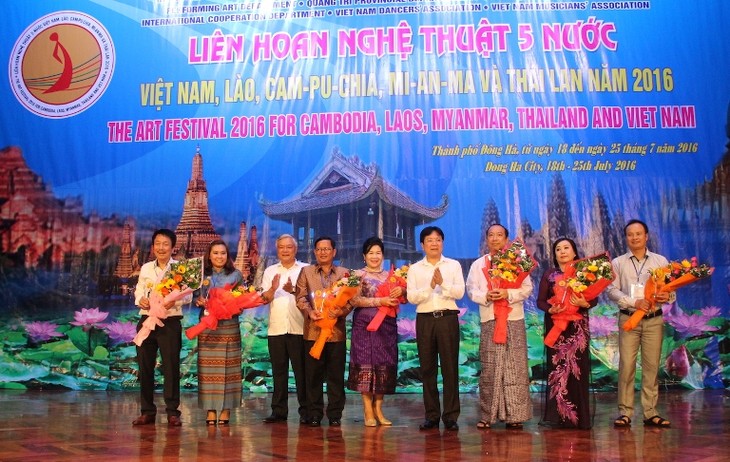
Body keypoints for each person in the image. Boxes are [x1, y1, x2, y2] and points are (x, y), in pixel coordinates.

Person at [193, 239, 278, 426]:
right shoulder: (200, 275)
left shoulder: (236, 275)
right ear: (209, 255)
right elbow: (193, 297)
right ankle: (210, 410)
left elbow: (242, 301)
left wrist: (232, 307)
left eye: (223, 253)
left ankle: (225, 410)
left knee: (229, 370)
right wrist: (198, 301)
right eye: (215, 253)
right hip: (207, 327)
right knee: (208, 370)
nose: (219, 256)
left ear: (227, 255)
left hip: (229, 327)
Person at [606, 219, 674, 428]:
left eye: (638, 233)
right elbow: (611, 290)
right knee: (626, 366)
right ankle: (625, 412)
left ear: (646, 236)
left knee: (651, 366)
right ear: (626, 238)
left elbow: (671, 290)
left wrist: (666, 296)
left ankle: (650, 412)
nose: (634, 237)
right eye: (630, 234)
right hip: (629, 318)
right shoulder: (618, 262)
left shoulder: (660, 260)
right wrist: (633, 301)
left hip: (653, 319)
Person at [465, 224, 533, 430]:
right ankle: (488, 415)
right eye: (491, 235)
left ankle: (515, 416)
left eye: (499, 235)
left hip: (513, 318)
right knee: (490, 366)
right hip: (489, 318)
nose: (495, 239)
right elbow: (471, 290)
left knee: (515, 367)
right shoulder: (478, 264)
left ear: (506, 239)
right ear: (486, 239)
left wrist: (507, 294)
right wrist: (486, 296)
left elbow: (527, 288)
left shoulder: (518, 263)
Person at [407, 226, 465, 431]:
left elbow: (459, 292)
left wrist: (443, 285)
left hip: (447, 318)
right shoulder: (415, 268)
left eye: (438, 239)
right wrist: (431, 286)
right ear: (422, 245)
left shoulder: (453, 265)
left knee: (450, 368)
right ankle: (431, 415)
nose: (434, 243)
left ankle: (450, 416)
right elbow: (411, 297)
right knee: (427, 369)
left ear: (442, 243)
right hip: (425, 320)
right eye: (429, 240)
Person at [132, 229, 192, 427]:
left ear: (173, 247)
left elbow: (189, 295)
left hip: (169, 322)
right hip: (147, 321)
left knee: (171, 367)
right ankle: (147, 411)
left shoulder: (180, 269)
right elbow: (140, 290)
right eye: (157, 243)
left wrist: (172, 302)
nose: (161, 247)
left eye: (165, 244)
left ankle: (173, 412)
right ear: (152, 247)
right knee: (145, 367)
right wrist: (140, 299)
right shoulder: (146, 268)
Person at [536, 237, 595, 429]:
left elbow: (594, 299)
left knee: (578, 370)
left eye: (566, 248)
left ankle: (579, 416)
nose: (562, 252)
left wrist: (584, 304)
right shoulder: (549, 275)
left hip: (577, 327)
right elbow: (540, 301)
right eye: (558, 249)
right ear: (554, 255)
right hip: (556, 327)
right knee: (558, 370)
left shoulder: (584, 273)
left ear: (574, 252)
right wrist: (550, 309)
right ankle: (560, 416)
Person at [295, 236, 354, 427]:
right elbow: (300, 297)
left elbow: (352, 300)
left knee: (336, 376)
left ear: (334, 252)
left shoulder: (345, 274)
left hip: (336, 333)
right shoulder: (306, 272)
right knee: (313, 376)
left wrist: (342, 311)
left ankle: (335, 414)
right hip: (313, 332)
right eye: (319, 249)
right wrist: (309, 311)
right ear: (314, 252)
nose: (323, 252)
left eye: (327, 249)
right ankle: (314, 414)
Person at [348, 237, 402, 427]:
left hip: (386, 325)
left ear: (383, 255)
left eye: (378, 253)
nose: (374, 256)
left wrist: (399, 294)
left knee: (384, 363)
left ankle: (378, 408)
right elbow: (354, 301)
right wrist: (380, 301)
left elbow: (401, 298)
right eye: (371, 253)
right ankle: (367, 409)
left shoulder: (392, 276)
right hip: (364, 324)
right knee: (365, 362)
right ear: (364, 256)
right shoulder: (356, 275)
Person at [261, 234, 309, 424]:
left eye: (289, 247)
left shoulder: (306, 269)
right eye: (281, 247)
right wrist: (273, 289)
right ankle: (278, 411)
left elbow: (313, 297)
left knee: (301, 373)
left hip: (299, 328)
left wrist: (294, 290)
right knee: (278, 372)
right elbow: (264, 298)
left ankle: (305, 411)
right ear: (277, 249)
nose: (285, 250)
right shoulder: (270, 271)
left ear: (295, 249)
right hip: (277, 329)